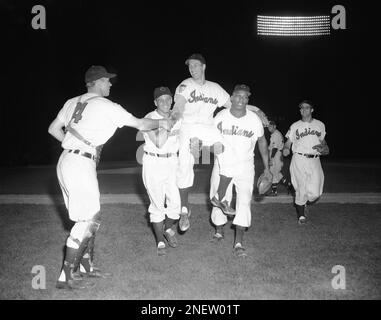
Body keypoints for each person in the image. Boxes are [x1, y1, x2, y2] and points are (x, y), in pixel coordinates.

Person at [48, 65, 173, 290]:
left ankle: (86, 266)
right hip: (79, 164)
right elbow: (141, 124)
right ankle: (66, 276)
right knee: (88, 219)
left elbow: (53, 129)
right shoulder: (105, 105)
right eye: (107, 81)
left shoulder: (72, 102)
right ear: (96, 82)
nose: (110, 84)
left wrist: (75, 145)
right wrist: (162, 122)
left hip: (67, 160)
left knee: (89, 216)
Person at [170, 53, 237, 232]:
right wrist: (173, 116)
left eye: (195, 65)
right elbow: (179, 106)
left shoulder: (215, 88)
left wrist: (256, 111)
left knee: (229, 155)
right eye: (190, 66)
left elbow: (235, 106)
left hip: (208, 127)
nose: (192, 69)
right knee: (184, 165)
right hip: (188, 127)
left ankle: (220, 197)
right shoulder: (185, 85)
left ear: (204, 67)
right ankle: (184, 210)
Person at [209, 84, 270, 257]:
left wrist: (267, 168)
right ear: (232, 97)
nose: (241, 100)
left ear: (248, 99)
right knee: (219, 198)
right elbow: (209, 137)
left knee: (244, 201)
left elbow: (262, 142)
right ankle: (219, 231)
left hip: (245, 166)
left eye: (245, 97)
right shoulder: (220, 116)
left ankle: (238, 242)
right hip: (222, 164)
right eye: (238, 96)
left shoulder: (253, 119)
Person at [141, 86, 182, 256]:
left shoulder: (177, 116)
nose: (165, 102)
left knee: (176, 204)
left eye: (168, 98)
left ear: (172, 99)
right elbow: (159, 142)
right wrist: (170, 121)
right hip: (153, 162)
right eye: (161, 99)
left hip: (172, 161)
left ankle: (167, 229)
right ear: (155, 102)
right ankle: (159, 242)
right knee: (157, 204)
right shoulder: (149, 118)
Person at [283, 100, 329, 225]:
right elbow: (288, 143)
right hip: (299, 158)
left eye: (307, 108)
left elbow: (323, 143)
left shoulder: (320, 125)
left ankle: (302, 202)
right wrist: (286, 149)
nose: (304, 110)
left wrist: (324, 149)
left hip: (315, 160)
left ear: (312, 110)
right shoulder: (295, 126)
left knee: (315, 193)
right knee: (301, 189)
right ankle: (301, 215)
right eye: (301, 108)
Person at [266, 120, 292, 196]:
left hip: (276, 156)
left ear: (275, 126)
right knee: (277, 174)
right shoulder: (275, 134)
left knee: (273, 173)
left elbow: (275, 148)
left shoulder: (276, 134)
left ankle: (274, 192)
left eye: (271, 126)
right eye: (268, 126)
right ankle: (289, 185)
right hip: (277, 156)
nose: (269, 127)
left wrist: (271, 159)